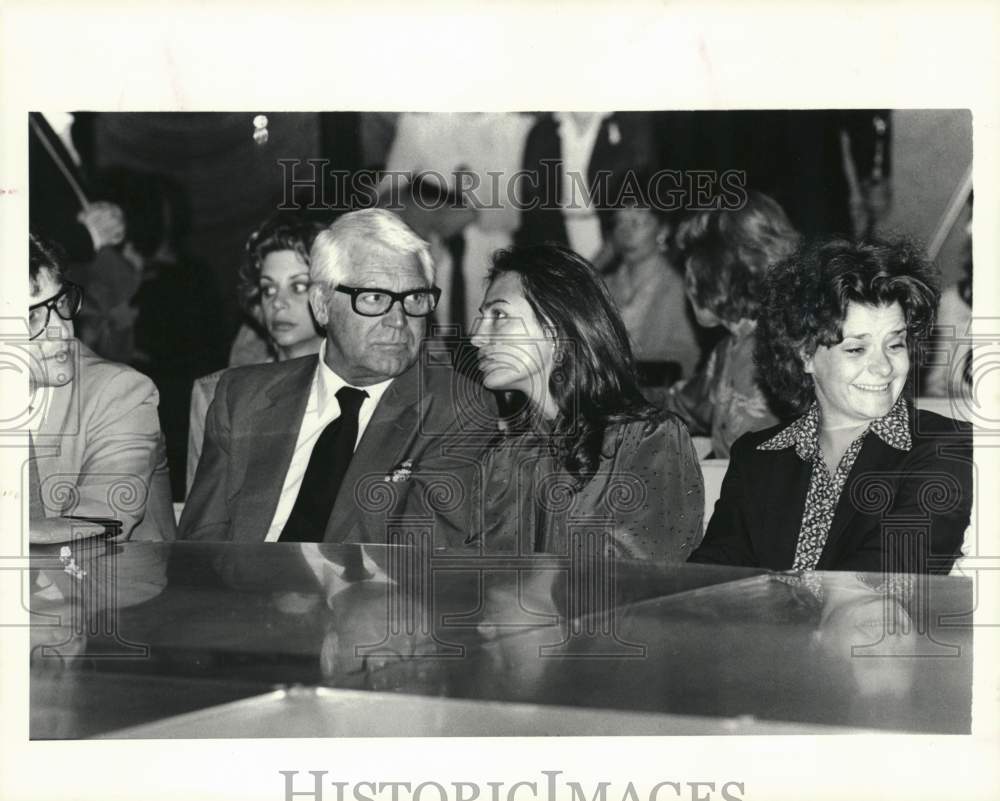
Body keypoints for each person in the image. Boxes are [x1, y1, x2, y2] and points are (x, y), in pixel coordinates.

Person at [179, 209, 493, 545]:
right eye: (374, 298)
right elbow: (200, 545)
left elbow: (417, 556)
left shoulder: (457, 409)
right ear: (322, 305)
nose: (398, 321)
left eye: (415, 298)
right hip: (239, 591)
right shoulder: (242, 397)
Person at [690, 238, 972, 574]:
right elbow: (709, 578)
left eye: (895, 345)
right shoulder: (756, 457)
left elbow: (886, 577)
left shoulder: (944, 448)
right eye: (856, 349)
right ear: (805, 354)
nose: (884, 368)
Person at [469, 244, 705, 562]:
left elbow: (640, 581)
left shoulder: (649, 440)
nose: (477, 336)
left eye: (499, 315)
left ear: (557, 328)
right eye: (482, 317)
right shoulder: (503, 457)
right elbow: (477, 573)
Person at [26, 233, 174, 543]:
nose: (60, 329)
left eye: (60, 302)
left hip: (107, 584)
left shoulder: (120, 392)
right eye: (31, 316)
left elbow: (97, 521)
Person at [185, 214, 325, 493]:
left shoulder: (365, 390)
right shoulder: (216, 395)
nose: (278, 302)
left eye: (298, 286)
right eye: (268, 288)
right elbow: (200, 522)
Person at [657, 193, 799, 457]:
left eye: (689, 268)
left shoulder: (779, 351)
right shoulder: (727, 350)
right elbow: (679, 406)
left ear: (714, 277)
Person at [602, 198, 701, 380]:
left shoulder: (681, 287)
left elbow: (687, 360)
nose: (626, 232)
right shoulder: (603, 284)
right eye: (620, 222)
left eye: (637, 223)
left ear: (662, 230)